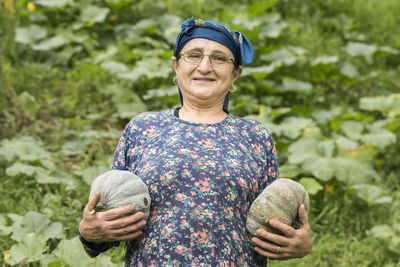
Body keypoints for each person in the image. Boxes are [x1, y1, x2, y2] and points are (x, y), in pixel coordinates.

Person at [78, 17, 313, 266]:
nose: (205, 66)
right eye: (194, 55)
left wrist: (300, 244)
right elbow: (111, 220)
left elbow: (273, 222)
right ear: (176, 65)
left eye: (219, 58)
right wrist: (89, 232)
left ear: (236, 74)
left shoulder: (255, 136)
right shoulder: (143, 128)